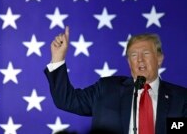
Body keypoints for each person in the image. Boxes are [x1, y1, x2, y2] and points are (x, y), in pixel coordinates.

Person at [44, 26, 187, 134]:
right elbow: (66, 100)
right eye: (133, 55)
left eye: (146, 53)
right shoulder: (106, 89)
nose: (139, 59)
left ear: (159, 59)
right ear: (128, 62)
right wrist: (57, 59)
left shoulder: (181, 99)